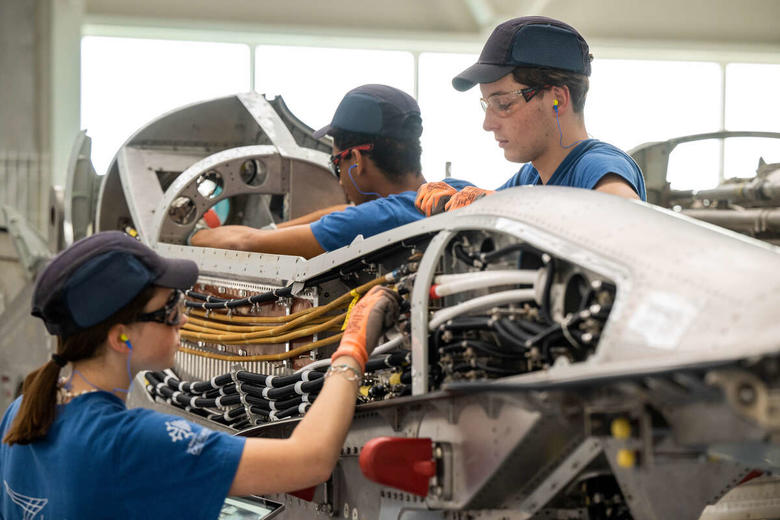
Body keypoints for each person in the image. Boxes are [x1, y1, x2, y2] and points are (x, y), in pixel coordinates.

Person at [0, 231, 400, 519]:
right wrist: (352, 348)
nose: (184, 319)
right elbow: (310, 461)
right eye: (170, 308)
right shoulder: (133, 441)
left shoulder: (23, 413)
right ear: (121, 336)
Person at [190, 84, 472, 257]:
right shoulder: (459, 191)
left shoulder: (375, 220)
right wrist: (273, 229)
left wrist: (194, 234)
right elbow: (342, 212)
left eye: (337, 163)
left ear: (357, 161)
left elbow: (241, 244)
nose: (339, 180)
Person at [416, 16, 646, 217]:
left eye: (503, 104)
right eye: (487, 105)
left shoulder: (596, 166)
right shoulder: (533, 176)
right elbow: (489, 198)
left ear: (558, 100)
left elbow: (627, 218)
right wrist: (450, 190)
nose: (488, 124)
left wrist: (508, 207)